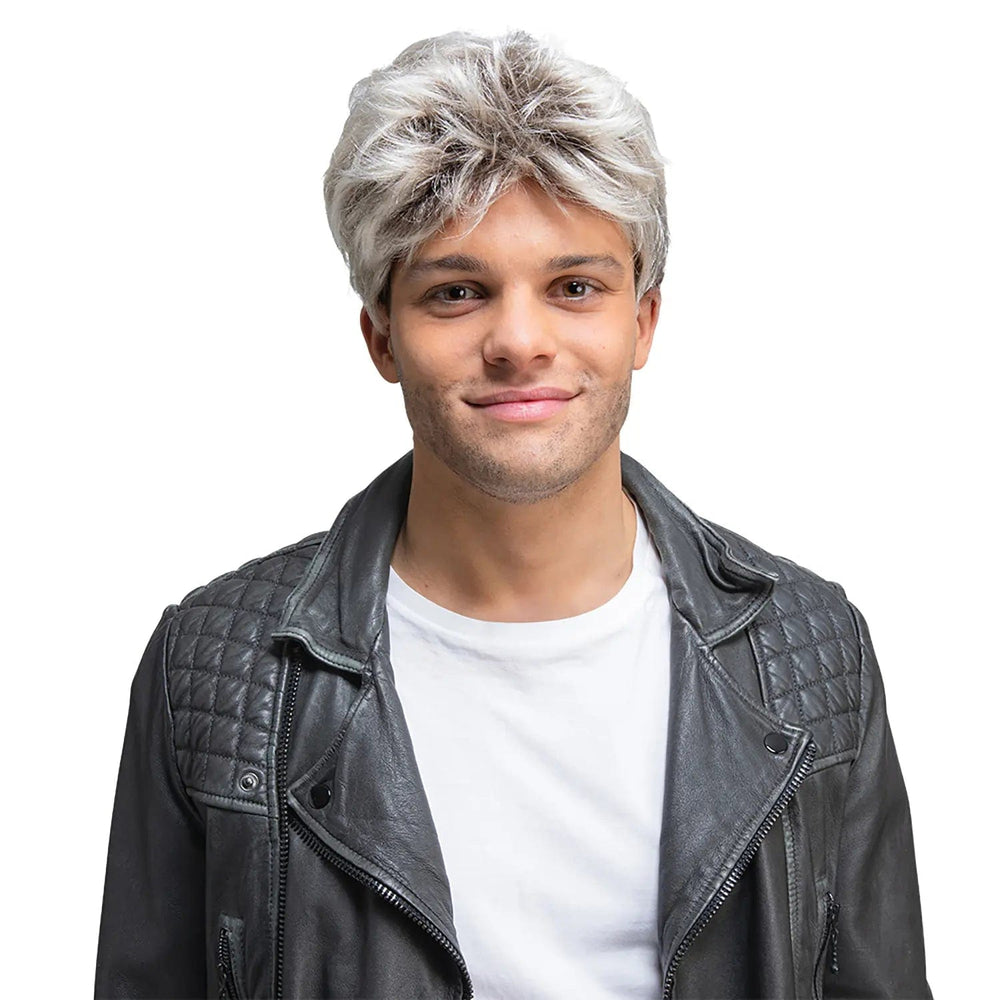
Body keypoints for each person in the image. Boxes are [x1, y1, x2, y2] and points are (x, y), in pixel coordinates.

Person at [95, 30, 932, 1000]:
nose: (519, 340)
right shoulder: (216, 665)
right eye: (458, 291)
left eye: (574, 287)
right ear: (381, 336)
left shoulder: (810, 650)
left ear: (642, 321)